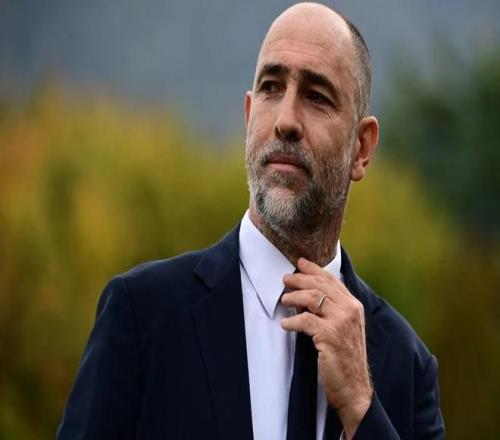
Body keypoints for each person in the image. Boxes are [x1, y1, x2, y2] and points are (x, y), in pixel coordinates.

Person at [57, 2, 444, 439]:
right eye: (271, 88)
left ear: (362, 148)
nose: (285, 121)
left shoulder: (407, 365)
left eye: (317, 96)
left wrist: (361, 407)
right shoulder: (142, 315)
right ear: (248, 115)